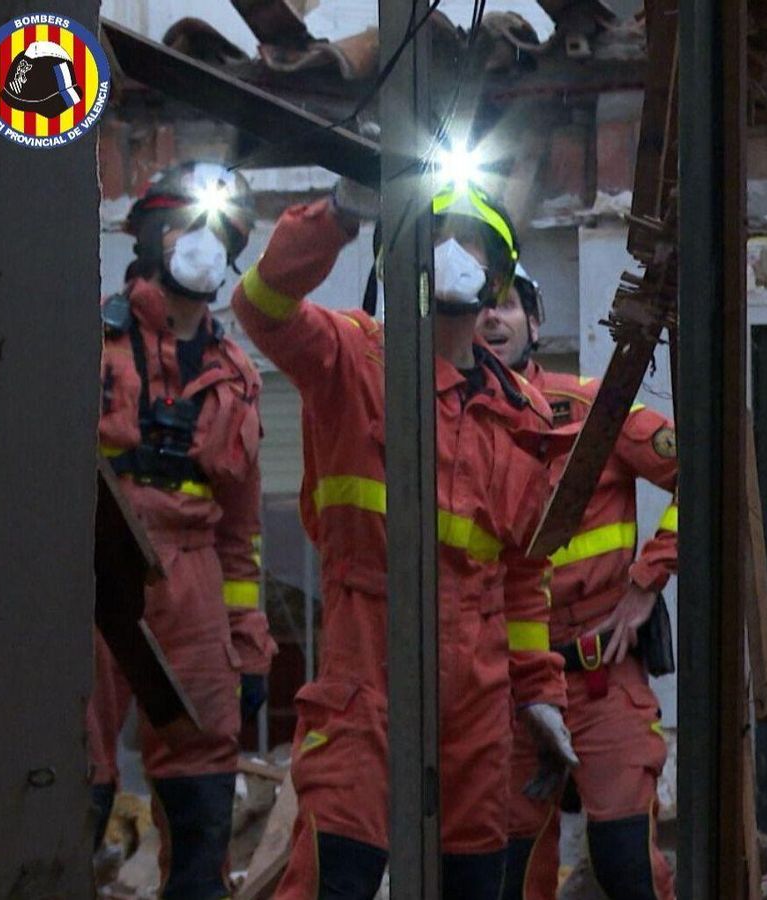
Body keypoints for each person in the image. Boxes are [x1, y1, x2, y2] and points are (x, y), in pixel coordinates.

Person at [231, 179, 577, 899]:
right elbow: (261, 307)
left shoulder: (524, 413)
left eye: (470, 241)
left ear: (498, 277)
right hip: (369, 666)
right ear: (397, 258)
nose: (451, 250)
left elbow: (521, 574)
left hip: (477, 697)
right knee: (337, 878)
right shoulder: (353, 357)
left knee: (475, 883)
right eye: (432, 233)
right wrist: (339, 213)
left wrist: (540, 691)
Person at [90, 161, 277, 898]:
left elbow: (242, 527)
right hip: (95, 564)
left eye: (218, 232)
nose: (201, 243)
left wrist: (249, 637)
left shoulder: (235, 373)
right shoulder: (89, 342)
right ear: (149, 237)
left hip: (194, 579)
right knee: (71, 773)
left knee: (202, 796)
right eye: (185, 225)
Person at [484, 267, 678, 899]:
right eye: (481, 304)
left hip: (602, 678)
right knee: (507, 877)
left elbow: (708, 467)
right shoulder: (445, 431)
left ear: (535, 324)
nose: (492, 317)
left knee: (627, 868)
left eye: (507, 305)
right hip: (502, 688)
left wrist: (649, 579)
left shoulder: (594, 407)